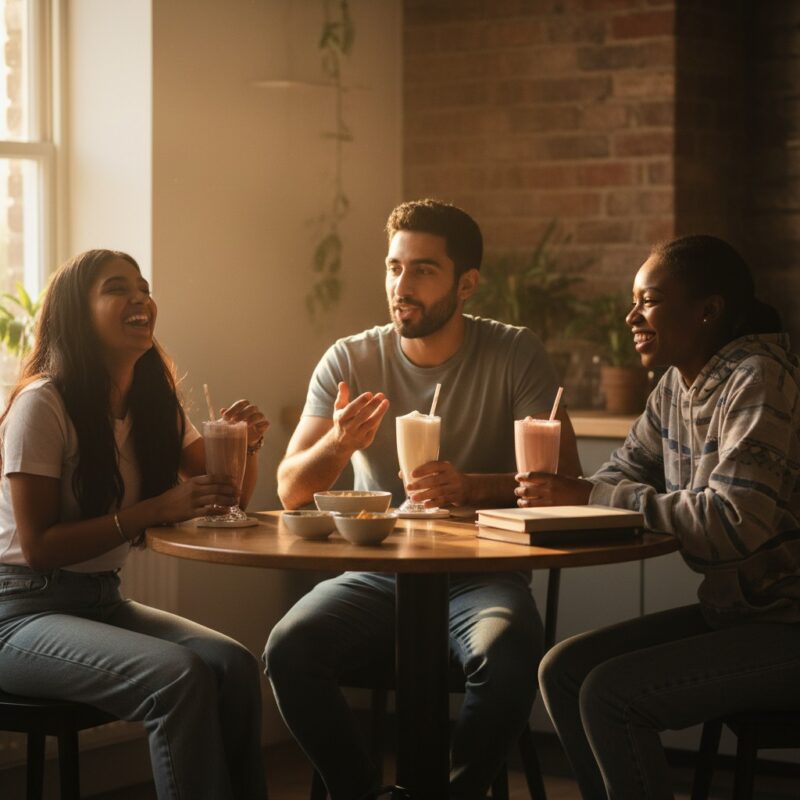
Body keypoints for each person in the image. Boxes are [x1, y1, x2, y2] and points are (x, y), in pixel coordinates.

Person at [266, 199, 582, 800]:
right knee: (289, 648)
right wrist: (338, 442)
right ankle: (362, 793)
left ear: (467, 283)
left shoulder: (514, 353)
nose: (401, 287)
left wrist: (474, 486)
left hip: (483, 574)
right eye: (393, 268)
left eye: (422, 270)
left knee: (511, 652)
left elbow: (566, 480)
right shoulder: (351, 358)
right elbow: (288, 491)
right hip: (376, 573)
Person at [516, 235, 800, 799]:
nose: (631, 316)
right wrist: (594, 492)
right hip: (735, 615)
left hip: (787, 624)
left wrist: (590, 495)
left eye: (647, 300)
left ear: (707, 310)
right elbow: (620, 472)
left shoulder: (758, 378)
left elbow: (734, 522)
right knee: (563, 669)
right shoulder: (675, 386)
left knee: (609, 695)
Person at [0, 250, 270, 800]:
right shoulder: (42, 405)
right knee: (179, 676)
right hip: (19, 613)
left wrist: (247, 446)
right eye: (116, 288)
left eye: (143, 287)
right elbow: (39, 548)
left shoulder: (153, 403)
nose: (140, 298)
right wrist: (156, 510)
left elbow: (229, 500)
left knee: (235, 666)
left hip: (102, 600)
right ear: (78, 312)